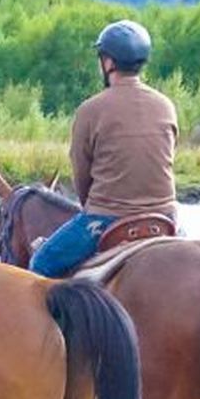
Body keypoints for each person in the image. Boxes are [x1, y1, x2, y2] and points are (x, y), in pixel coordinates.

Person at [30, 19, 178, 278]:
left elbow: (81, 172)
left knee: (41, 264)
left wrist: (92, 208)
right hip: (165, 218)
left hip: (107, 219)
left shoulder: (90, 109)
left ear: (108, 62)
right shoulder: (166, 105)